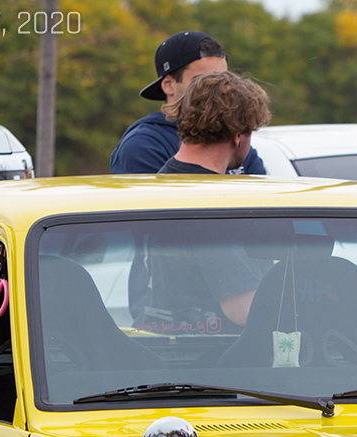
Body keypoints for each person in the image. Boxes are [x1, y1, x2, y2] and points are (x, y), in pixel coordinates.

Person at [142, 72, 272, 330]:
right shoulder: (212, 203)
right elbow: (241, 308)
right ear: (238, 136)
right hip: (215, 356)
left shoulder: (162, 182)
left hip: (177, 347)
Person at [111, 31, 266, 175]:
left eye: (224, 80)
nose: (218, 89)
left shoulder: (233, 140)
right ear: (168, 84)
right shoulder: (144, 145)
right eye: (202, 81)